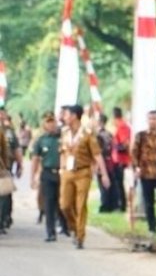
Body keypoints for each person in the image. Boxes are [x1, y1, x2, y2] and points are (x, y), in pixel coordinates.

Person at [58, 104, 109, 249]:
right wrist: (61, 169)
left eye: (67, 114)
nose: (64, 117)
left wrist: (104, 174)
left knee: (80, 204)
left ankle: (80, 236)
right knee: (65, 205)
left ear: (74, 116)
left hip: (83, 172)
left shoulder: (87, 133)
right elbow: (62, 151)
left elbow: (97, 155)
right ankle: (74, 227)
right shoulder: (65, 132)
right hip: (67, 171)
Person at [29, 112, 62, 242]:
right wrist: (32, 178)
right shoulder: (41, 140)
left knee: (62, 202)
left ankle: (65, 226)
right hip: (47, 173)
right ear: (44, 124)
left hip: (61, 173)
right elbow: (35, 160)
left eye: (53, 121)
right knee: (49, 202)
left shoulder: (62, 138)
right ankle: (50, 232)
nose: (51, 124)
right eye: (48, 122)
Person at [0, 108, 21, 232]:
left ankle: (3, 220)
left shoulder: (7, 133)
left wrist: (17, 165)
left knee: (4, 197)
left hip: (2, 169)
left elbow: (8, 151)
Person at [110, 106, 132, 212]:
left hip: (121, 160)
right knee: (118, 183)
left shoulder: (122, 126)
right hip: (117, 159)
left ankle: (122, 205)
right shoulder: (119, 126)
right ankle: (120, 203)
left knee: (120, 183)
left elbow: (125, 143)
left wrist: (116, 147)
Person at [95, 113, 117, 213]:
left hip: (102, 160)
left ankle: (105, 205)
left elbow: (97, 151)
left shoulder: (98, 135)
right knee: (110, 183)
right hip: (110, 160)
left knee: (102, 184)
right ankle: (112, 204)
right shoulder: (109, 134)